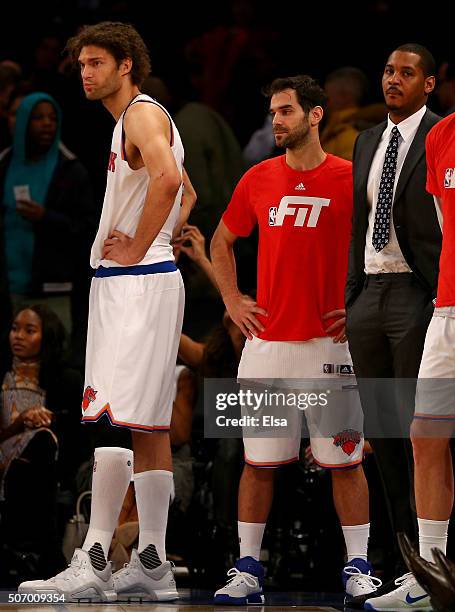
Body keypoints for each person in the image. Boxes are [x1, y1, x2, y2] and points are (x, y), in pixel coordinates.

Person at [18, 21, 195, 602]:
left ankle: (94, 559)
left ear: (126, 66)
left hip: (139, 281)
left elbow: (170, 181)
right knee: (147, 426)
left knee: (115, 417)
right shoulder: (138, 121)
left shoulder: (142, 115)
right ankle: (152, 563)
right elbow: (185, 192)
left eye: (97, 63)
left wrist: (142, 244)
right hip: (144, 281)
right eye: (83, 64)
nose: (86, 73)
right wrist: (156, 238)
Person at [210, 75, 379, 605]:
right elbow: (222, 240)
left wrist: (362, 310)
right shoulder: (258, 178)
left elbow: (384, 251)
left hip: (332, 348)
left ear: (315, 115)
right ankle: (247, 569)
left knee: (345, 463)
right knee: (258, 465)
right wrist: (233, 301)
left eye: (286, 111)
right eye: (273, 112)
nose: (276, 121)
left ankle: (358, 568)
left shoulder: (353, 180)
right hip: (268, 347)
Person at [345, 44, 441, 606]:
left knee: (419, 434)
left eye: (406, 73)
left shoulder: (441, 135)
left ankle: (432, 562)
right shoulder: (364, 139)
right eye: (387, 71)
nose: (394, 80)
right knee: (382, 434)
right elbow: (360, 220)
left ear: (429, 84)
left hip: (415, 292)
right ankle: (405, 561)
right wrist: (352, 294)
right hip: (369, 295)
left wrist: (436, 296)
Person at [364, 112, 455, 611]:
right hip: (448, 308)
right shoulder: (442, 136)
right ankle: (432, 575)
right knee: (426, 434)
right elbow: (442, 224)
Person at [0, 91, 96, 367]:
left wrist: (46, 217)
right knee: (14, 364)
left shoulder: (70, 169)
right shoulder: (4, 164)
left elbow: (88, 227)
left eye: (53, 118)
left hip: (54, 286)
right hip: (10, 286)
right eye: (38, 118)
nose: (47, 124)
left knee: (54, 361)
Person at [0, 304, 84, 581]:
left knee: (44, 443)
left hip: (45, 462)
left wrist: (48, 422)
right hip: (3, 451)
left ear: (46, 337)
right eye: (15, 329)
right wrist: (19, 423)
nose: (18, 336)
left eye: (29, 330)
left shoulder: (67, 380)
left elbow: (77, 436)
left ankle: (37, 553)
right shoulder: (1, 375)